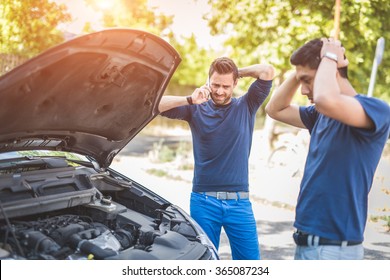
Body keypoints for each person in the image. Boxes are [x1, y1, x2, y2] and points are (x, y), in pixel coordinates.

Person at [265, 38, 390, 260]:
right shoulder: (319, 115)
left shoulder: (376, 111)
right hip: (305, 244)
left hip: (335, 250)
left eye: (307, 81)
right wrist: (301, 69)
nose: (302, 90)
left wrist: (329, 57)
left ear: (331, 71)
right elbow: (275, 109)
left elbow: (325, 98)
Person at [158, 57, 275, 260]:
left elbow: (267, 71)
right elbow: (155, 105)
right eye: (215, 85)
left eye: (226, 86)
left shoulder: (247, 105)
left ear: (235, 83)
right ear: (208, 81)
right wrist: (188, 99)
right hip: (203, 202)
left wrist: (238, 70)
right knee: (204, 263)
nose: (220, 91)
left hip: (240, 203)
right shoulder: (195, 108)